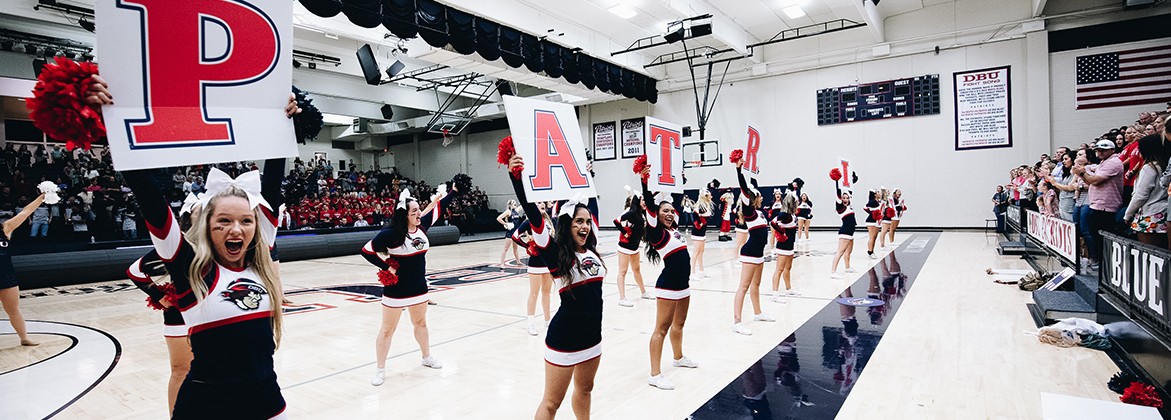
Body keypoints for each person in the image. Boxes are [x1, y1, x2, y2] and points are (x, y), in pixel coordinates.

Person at [507, 155, 606, 420]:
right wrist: (517, 178)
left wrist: (587, 178)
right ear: (567, 224)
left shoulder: (591, 250)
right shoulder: (555, 253)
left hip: (592, 336)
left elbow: (591, 207)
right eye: (578, 222)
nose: (585, 226)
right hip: (564, 338)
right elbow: (533, 217)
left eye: (587, 222)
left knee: (585, 390)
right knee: (552, 403)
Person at [361, 185, 455, 386]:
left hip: (419, 288)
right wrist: (386, 267)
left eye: (419, 210)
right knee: (387, 329)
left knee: (420, 323)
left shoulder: (422, 227)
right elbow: (367, 250)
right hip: (396, 291)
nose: (419, 213)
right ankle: (380, 369)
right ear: (404, 215)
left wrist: (454, 191)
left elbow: (440, 207)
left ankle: (426, 356)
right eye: (414, 212)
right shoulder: (391, 234)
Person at [638, 166, 697, 391]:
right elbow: (651, 209)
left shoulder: (674, 230)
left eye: (672, 211)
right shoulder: (657, 233)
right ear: (656, 215)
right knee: (661, 329)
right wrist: (645, 182)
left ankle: (678, 357)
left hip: (684, 285)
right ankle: (655, 374)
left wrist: (679, 180)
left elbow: (678, 199)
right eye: (665, 211)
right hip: (668, 286)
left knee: (679, 324)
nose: (670, 214)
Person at [731, 162, 774, 336]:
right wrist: (739, 170)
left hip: (759, 254)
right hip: (749, 253)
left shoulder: (761, 212)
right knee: (744, 286)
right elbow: (743, 188)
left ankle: (758, 313)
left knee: (756, 284)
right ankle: (737, 322)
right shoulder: (750, 212)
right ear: (752, 198)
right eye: (759, 196)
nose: (762, 198)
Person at [1, 193, 47, 347]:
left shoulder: (5, 228)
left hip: (6, 276)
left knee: (13, 310)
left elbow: (25, 212)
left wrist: (41, 198)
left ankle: (24, 338)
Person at [1074, 139, 1124, 270]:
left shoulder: (1113, 162)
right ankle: (1101, 263)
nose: (1100, 153)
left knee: (1102, 239)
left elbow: (1095, 180)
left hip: (1106, 206)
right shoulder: (1104, 162)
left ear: (1112, 150)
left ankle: (1105, 266)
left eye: (1103, 150)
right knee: (1095, 235)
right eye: (1098, 150)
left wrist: (1081, 172)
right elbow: (1091, 181)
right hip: (1097, 204)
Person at [513, 203, 555, 336]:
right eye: (538, 203)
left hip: (548, 262)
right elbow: (515, 236)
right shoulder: (529, 221)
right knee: (534, 293)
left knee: (547, 293)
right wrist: (528, 246)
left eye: (543, 202)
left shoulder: (548, 220)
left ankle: (547, 321)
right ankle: (530, 324)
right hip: (535, 262)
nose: (542, 204)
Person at [1124, 134, 1170, 248]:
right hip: (1162, 213)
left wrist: (1127, 215)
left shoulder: (1150, 167)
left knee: (1150, 255)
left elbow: (1141, 195)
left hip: (1150, 215)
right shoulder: (1163, 165)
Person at [614, 194, 650, 307]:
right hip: (624, 247)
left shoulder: (642, 213)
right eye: (643, 200)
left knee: (637, 270)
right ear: (638, 201)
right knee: (623, 271)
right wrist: (624, 231)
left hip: (634, 247)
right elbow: (616, 221)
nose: (645, 202)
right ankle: (622, 298)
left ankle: (644, 292)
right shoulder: (632, 213)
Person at [769, 192, 799, 303]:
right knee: (779, 269)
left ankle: (788, 289)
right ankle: (775, 294)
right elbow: (772, 222)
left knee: (788, 268)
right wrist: (781, 232)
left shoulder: (792, 215)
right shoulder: (785, 215)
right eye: (796, 202)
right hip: (783, 246)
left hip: (790, 246)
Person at [830, 176, 857, 278]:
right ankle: (833, 272)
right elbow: (838, 192)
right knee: (840, 252)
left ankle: (847, 267)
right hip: (845, 232)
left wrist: (851, 180)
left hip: (850, 233)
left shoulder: (849, 206)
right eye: (843, 198)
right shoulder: (840, 208)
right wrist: (837, 181)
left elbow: (850, 191)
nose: (845, 199)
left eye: (847, 198)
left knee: (849, 252)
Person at [690, 190, 714, 279]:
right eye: (709, 196)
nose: (711, 197)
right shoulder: (700, 206)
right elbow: (695, 215)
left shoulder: (706, 206)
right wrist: (699, 223)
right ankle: (692, 273)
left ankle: (701, 270)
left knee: (701, 251)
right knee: (696, 252)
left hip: (702, 232)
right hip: (697, 232)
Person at [496, 200, 523, 266]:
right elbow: (498, 218)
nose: (515, 203)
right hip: (510, 232)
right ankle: (502, 263)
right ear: (510, 204)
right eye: (513, 202)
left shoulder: (516, 211)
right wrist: (506, 224)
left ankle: (518, 261)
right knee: (506, 249)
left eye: (515, 202)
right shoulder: (508, 211)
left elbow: (522, 206)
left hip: (516, 232)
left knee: (515, 248)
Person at [863, 189, 883, 258]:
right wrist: (872, 213)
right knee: (872, 237)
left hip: (876, 221)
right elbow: (865, 207)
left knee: (874, 237)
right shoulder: (873, 201)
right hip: (871, 221)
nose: (879, 193)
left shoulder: (878, 201)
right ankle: (870, 251)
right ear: (875, 194)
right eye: (878, 192)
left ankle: (872, 250)